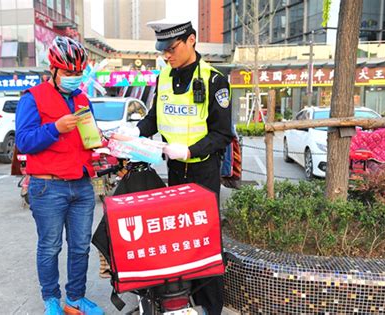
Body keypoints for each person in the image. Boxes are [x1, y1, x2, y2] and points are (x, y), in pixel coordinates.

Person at [119, 19, 232, 315]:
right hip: (175, 171)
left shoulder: (214, 79)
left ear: (191, 40)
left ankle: (210, 306)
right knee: (180, 236)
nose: (166, 56)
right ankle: (180, 297)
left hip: (203, 170)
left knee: (204, 238)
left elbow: (222, 134)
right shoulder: (165, 76)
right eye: (162, 51)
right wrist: (136, 131)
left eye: (171, 49)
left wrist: (190, 150)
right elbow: (155, 117)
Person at [15, 36, 104, 315]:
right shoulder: (33, 98)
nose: (74, 78)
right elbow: (24, 141)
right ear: (52, 70)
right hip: (48, 187)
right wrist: (55, 128)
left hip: (82, 185)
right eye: (68, 73)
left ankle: (75, 299)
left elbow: (89, 137)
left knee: (80, 248)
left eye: (79, 73)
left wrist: (99, 141)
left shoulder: (82, 98)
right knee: (50, 247)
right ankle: (51, 299)